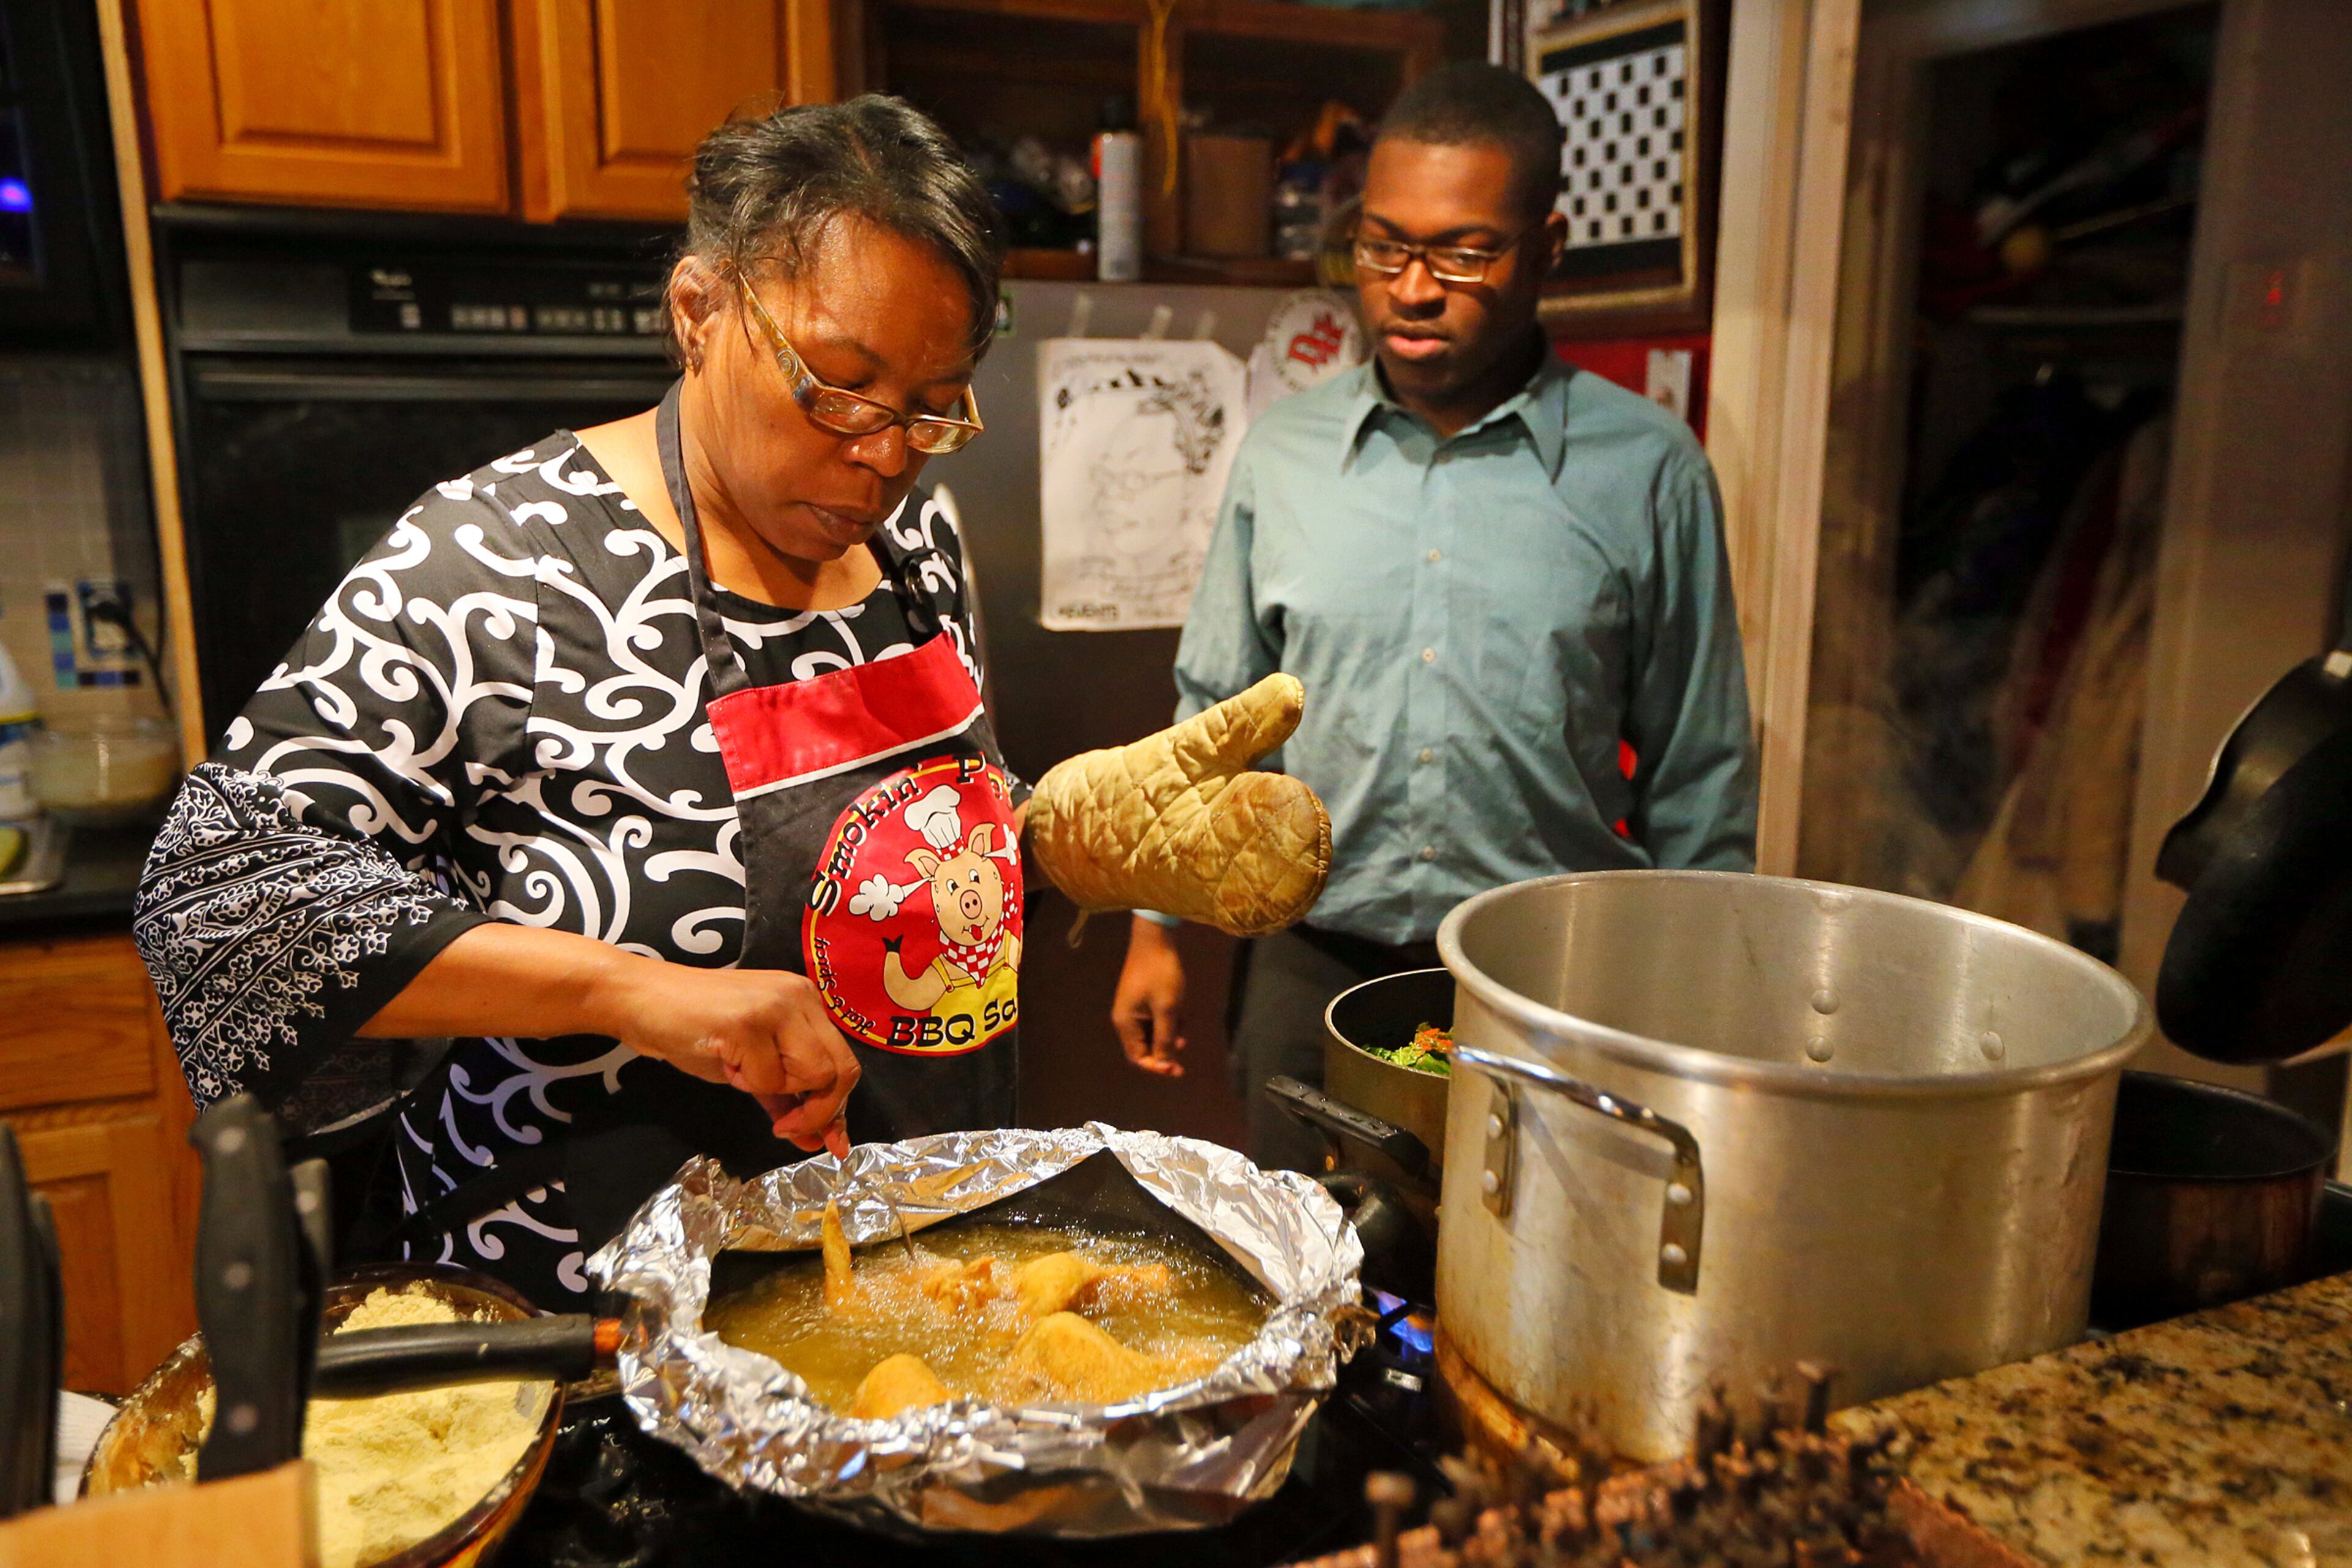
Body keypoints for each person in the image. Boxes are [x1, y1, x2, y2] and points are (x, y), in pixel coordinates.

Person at [135, 98, 1023, 1303]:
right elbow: (220, 911)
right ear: (699, 311)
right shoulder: (495, 564)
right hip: (592, 1312)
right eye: (839, 385)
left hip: (908, 1259)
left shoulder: (916, 534)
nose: (883, 451)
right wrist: (637, 991)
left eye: (932, 404)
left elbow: (904, 826)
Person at [1109, 63, 1759, 1170]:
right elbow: (1215, 711)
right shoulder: (1287, 455)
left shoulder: (1649, 472)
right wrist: (1155, 928)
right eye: (1382, 246)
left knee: (1533, 1305)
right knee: (1304, 1283)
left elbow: (1700, 772)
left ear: (1547, 249)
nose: (1412, 289)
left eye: (1464, 252)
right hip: (1304, 971)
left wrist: (1695, 994)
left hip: (1551, 989)